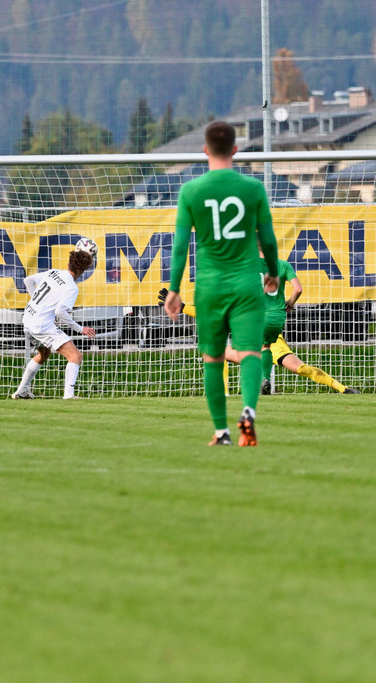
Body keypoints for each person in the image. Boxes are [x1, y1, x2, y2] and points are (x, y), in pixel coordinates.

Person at [164, 120, 280, 446]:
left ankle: (221, 431)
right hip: (246, 283)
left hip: (210, 287)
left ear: (205, 150)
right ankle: (248, 412)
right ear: (234, 150)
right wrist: (271, 270)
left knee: (213, 358)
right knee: (251, 353)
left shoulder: (191, 190)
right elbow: (267, 239)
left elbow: (179, 247)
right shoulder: (253, 188)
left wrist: (174, 289)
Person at [158, 250, 360, 396]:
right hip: (273, 335)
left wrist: (183, 306)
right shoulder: (280, 266)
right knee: (300, 368)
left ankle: (226, 394)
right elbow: (297, 288)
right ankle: (342, 388)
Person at [12, 248, 97, 400]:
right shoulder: (71, 287)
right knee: (75, 356)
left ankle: (21, 392)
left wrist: (40, 305)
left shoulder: (54, 272)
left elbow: (28, 281)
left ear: (68, 262)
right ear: (83, 270)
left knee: (44, 354)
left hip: (29, 318)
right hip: (41, 325)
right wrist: (79, 329)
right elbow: (60, 312)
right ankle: (69, 395)